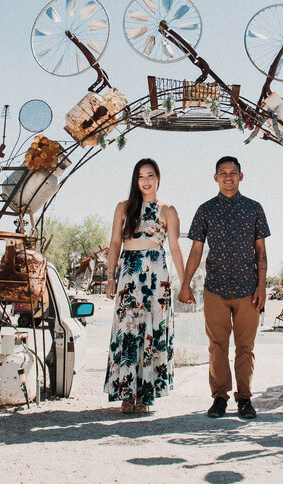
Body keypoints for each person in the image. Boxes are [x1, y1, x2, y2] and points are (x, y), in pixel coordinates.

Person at [180, 156, 270, 419]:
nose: (228, 176)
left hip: (248, 289)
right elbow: (196, 250)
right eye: (223, 173)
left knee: (245, 347)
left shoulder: (254, 209)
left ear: (241, 176)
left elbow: (261, 251)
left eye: (233, 172)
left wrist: (262, 286)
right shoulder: (206, 210)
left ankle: (244, 399)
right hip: (215, 288)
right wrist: (185, 284)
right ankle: (219, 398)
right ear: (215, 177)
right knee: (217, 345)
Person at [104, 158, 186, 413]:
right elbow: (115, 243)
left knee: (152, 330)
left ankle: (146, 396)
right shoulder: (123, 207)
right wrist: (110, 276)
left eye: (150, 175)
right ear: (135, 180)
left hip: (156, 275)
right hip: (129, 274)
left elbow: (174, 247)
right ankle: (127, 395)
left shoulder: (168, 209)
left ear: (158, 177)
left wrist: (185, 283)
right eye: (141, 176)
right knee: (128, 330)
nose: (146, 181)